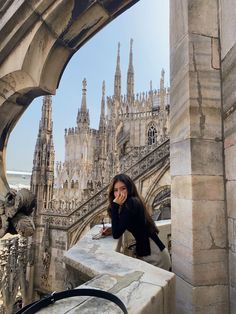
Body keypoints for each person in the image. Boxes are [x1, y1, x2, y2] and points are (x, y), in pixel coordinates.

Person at [108, 173, 171, 271]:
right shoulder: (133, 201)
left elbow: (116, 234)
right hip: (151, 252)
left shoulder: (131, 203)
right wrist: (112, 228)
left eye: (123, 188)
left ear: (129, 188)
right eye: (116, 190)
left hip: (155, 255)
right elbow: (122, 225)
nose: (119, 193)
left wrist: (115, 206)